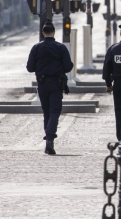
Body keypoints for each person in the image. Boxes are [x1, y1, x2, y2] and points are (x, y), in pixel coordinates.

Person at [26, 20, 74, 155]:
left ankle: (48, 138)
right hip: (56, 83)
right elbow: (68, 66)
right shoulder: (60, 48)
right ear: (54, 32)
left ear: (43, 33)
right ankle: (50, 138)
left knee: (46, 111)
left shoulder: (36, 48)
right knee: (55, 111)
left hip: (42, 84)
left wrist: (41, 67)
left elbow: (30, 68)